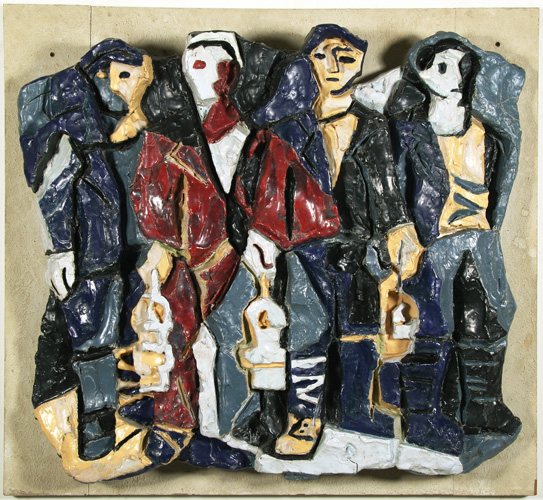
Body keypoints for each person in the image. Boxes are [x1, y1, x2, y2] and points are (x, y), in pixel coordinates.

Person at [236, 24, 423, 456]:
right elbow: (264, 188)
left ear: (361, 60)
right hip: (304, 246)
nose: (335, 66)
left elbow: (386, 187)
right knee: (307, 328)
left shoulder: (373, 126)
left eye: (346, 56)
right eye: (322, 55)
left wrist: (398, 226)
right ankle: (305, 416)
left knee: (359, 327)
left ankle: (355, 409)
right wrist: (261, 234)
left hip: (358, 246)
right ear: (308, 63)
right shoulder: (288, 128)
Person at [384, 32, 524, 459]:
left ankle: (480, 405)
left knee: (488, 318)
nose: (451, 76)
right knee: (430, 324)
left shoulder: (488, 135)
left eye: (460, 66)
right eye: (440, 66)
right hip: (433, 243)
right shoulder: (409, 132)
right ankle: (424, 412)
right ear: (422, 71)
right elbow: (392, 186)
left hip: (478, 238)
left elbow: (495, 190)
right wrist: (401, 234)